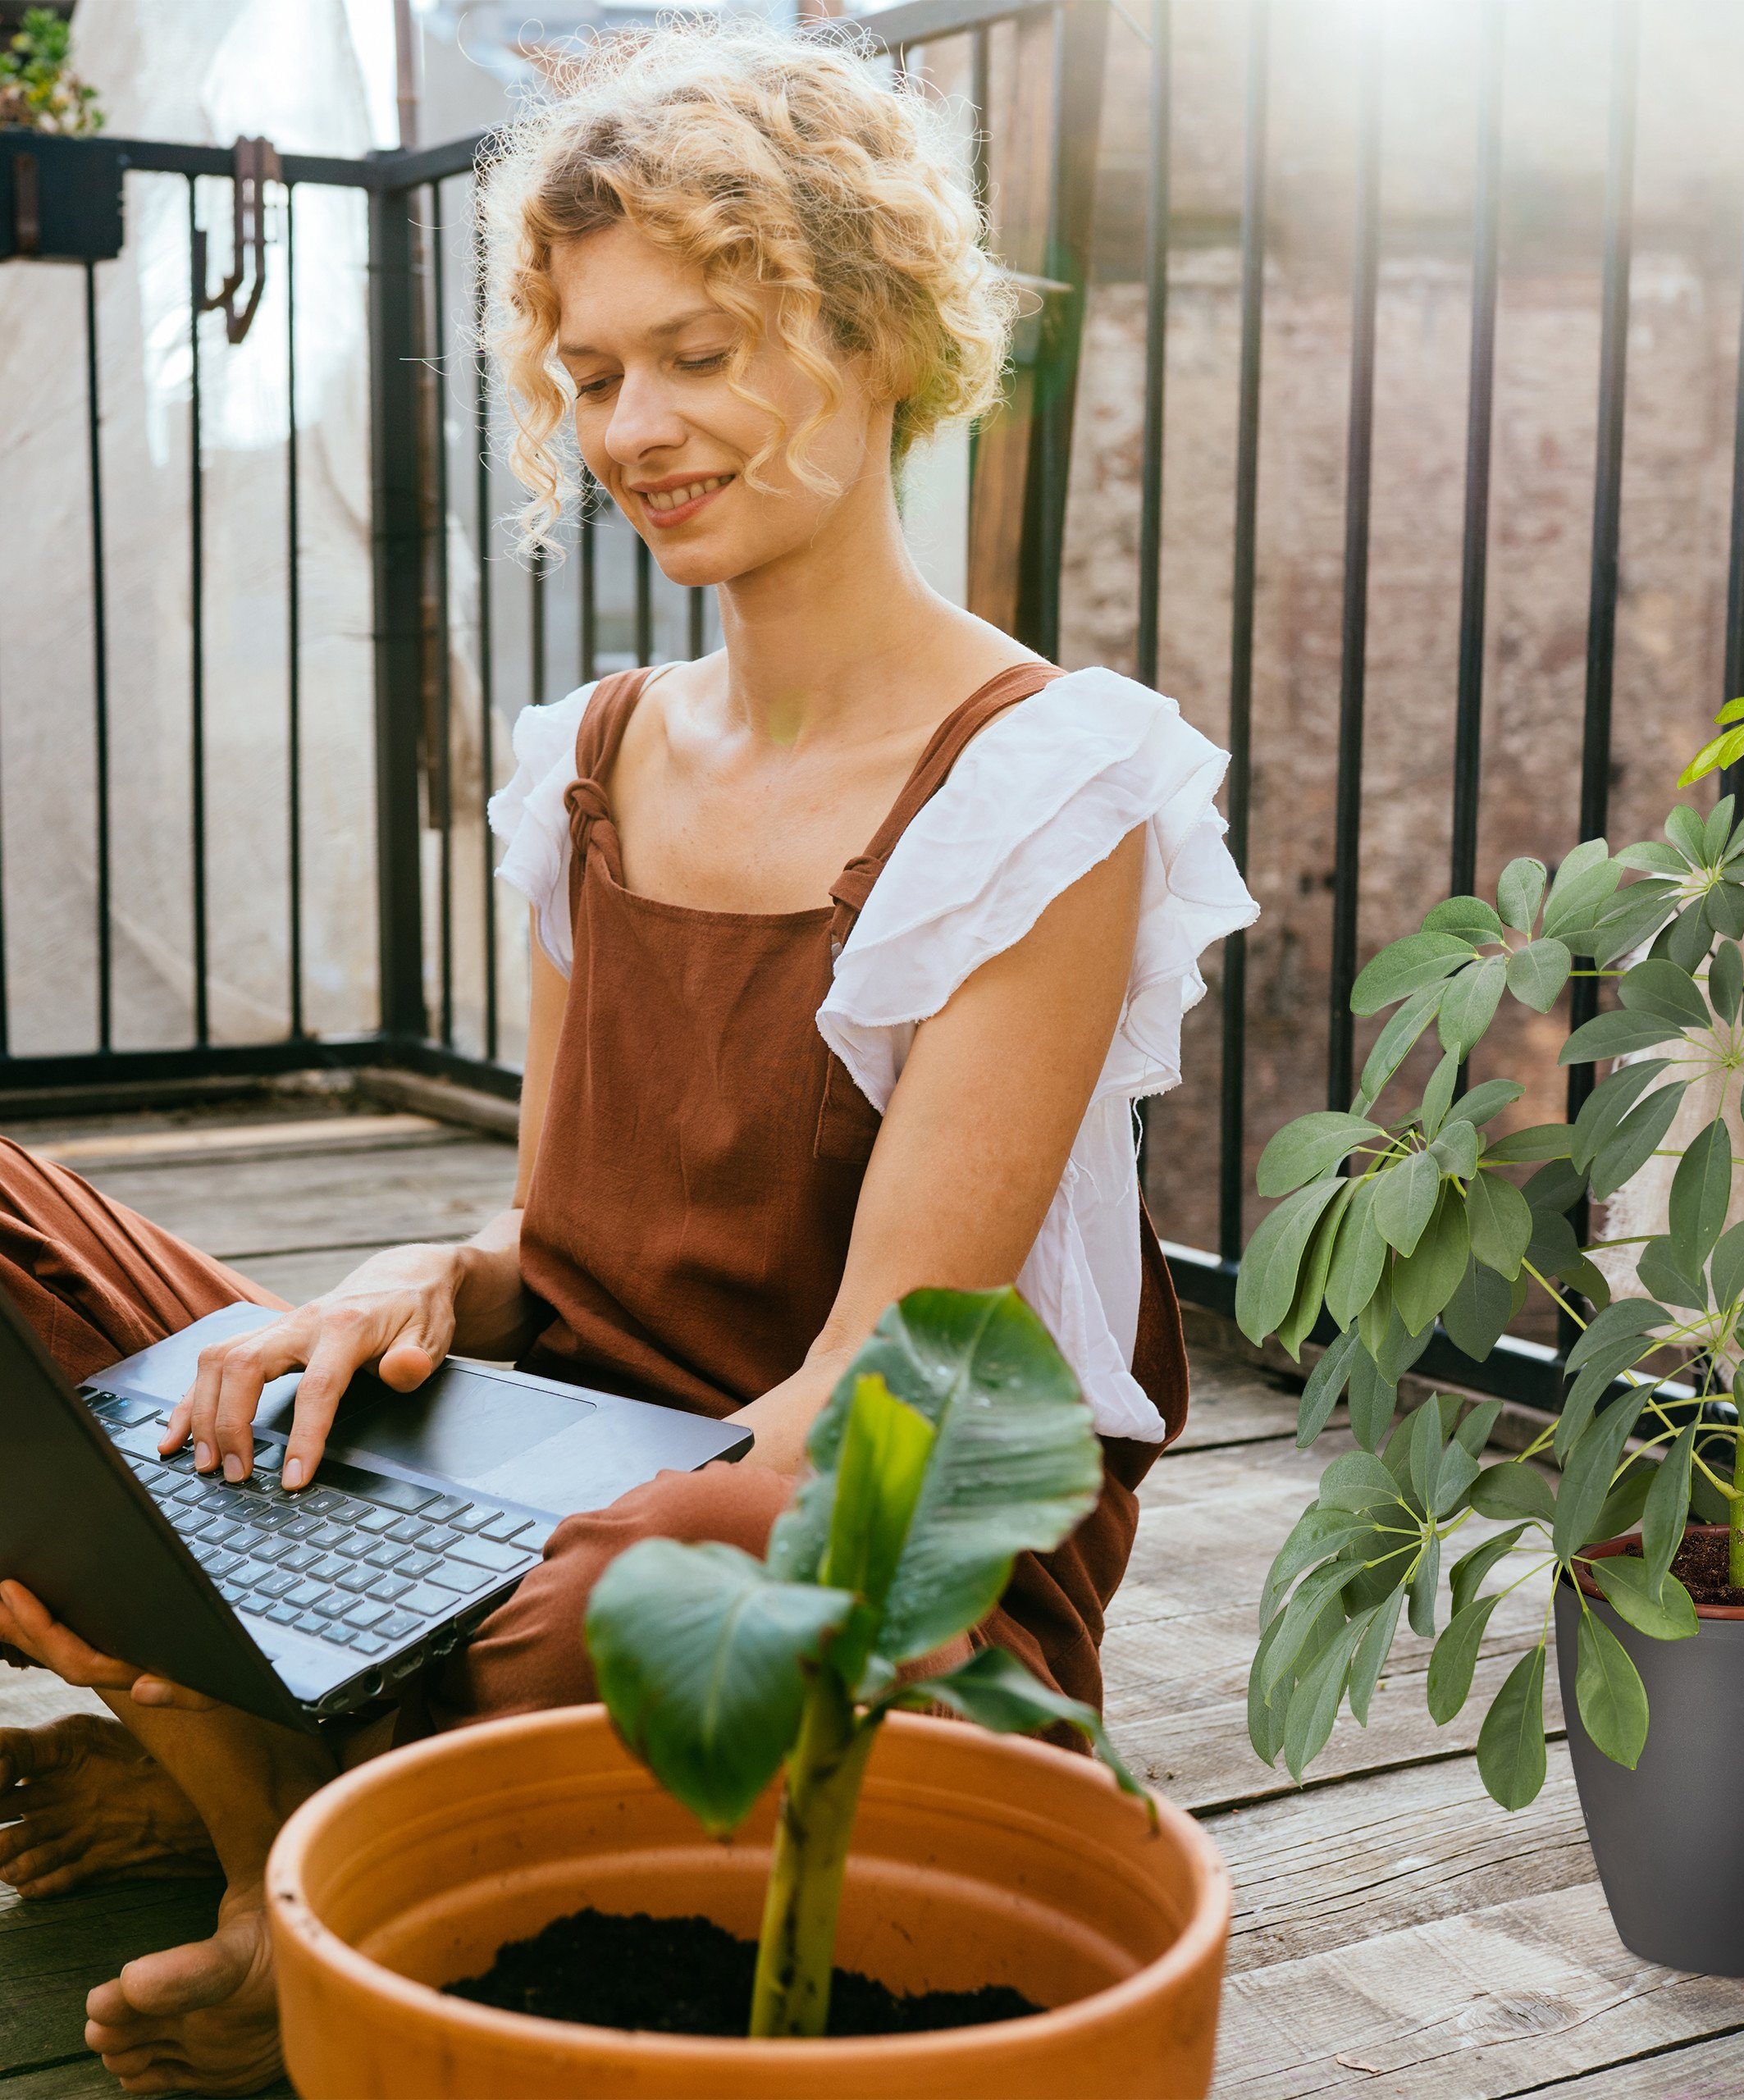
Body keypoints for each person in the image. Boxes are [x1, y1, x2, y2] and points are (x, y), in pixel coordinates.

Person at [0, 19, 1255, 2096]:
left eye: (703, 349)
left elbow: (883, 1378)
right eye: (589, 374)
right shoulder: (582, 752)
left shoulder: (1052, 781)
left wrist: (462, 1537)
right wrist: (418, 1281)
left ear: (872, 332)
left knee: (636, 1572)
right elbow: (561, 1222)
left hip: (828, 1525)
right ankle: (293, 1823)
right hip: (530, 1451)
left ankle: (276, 1820)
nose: (635, 425)